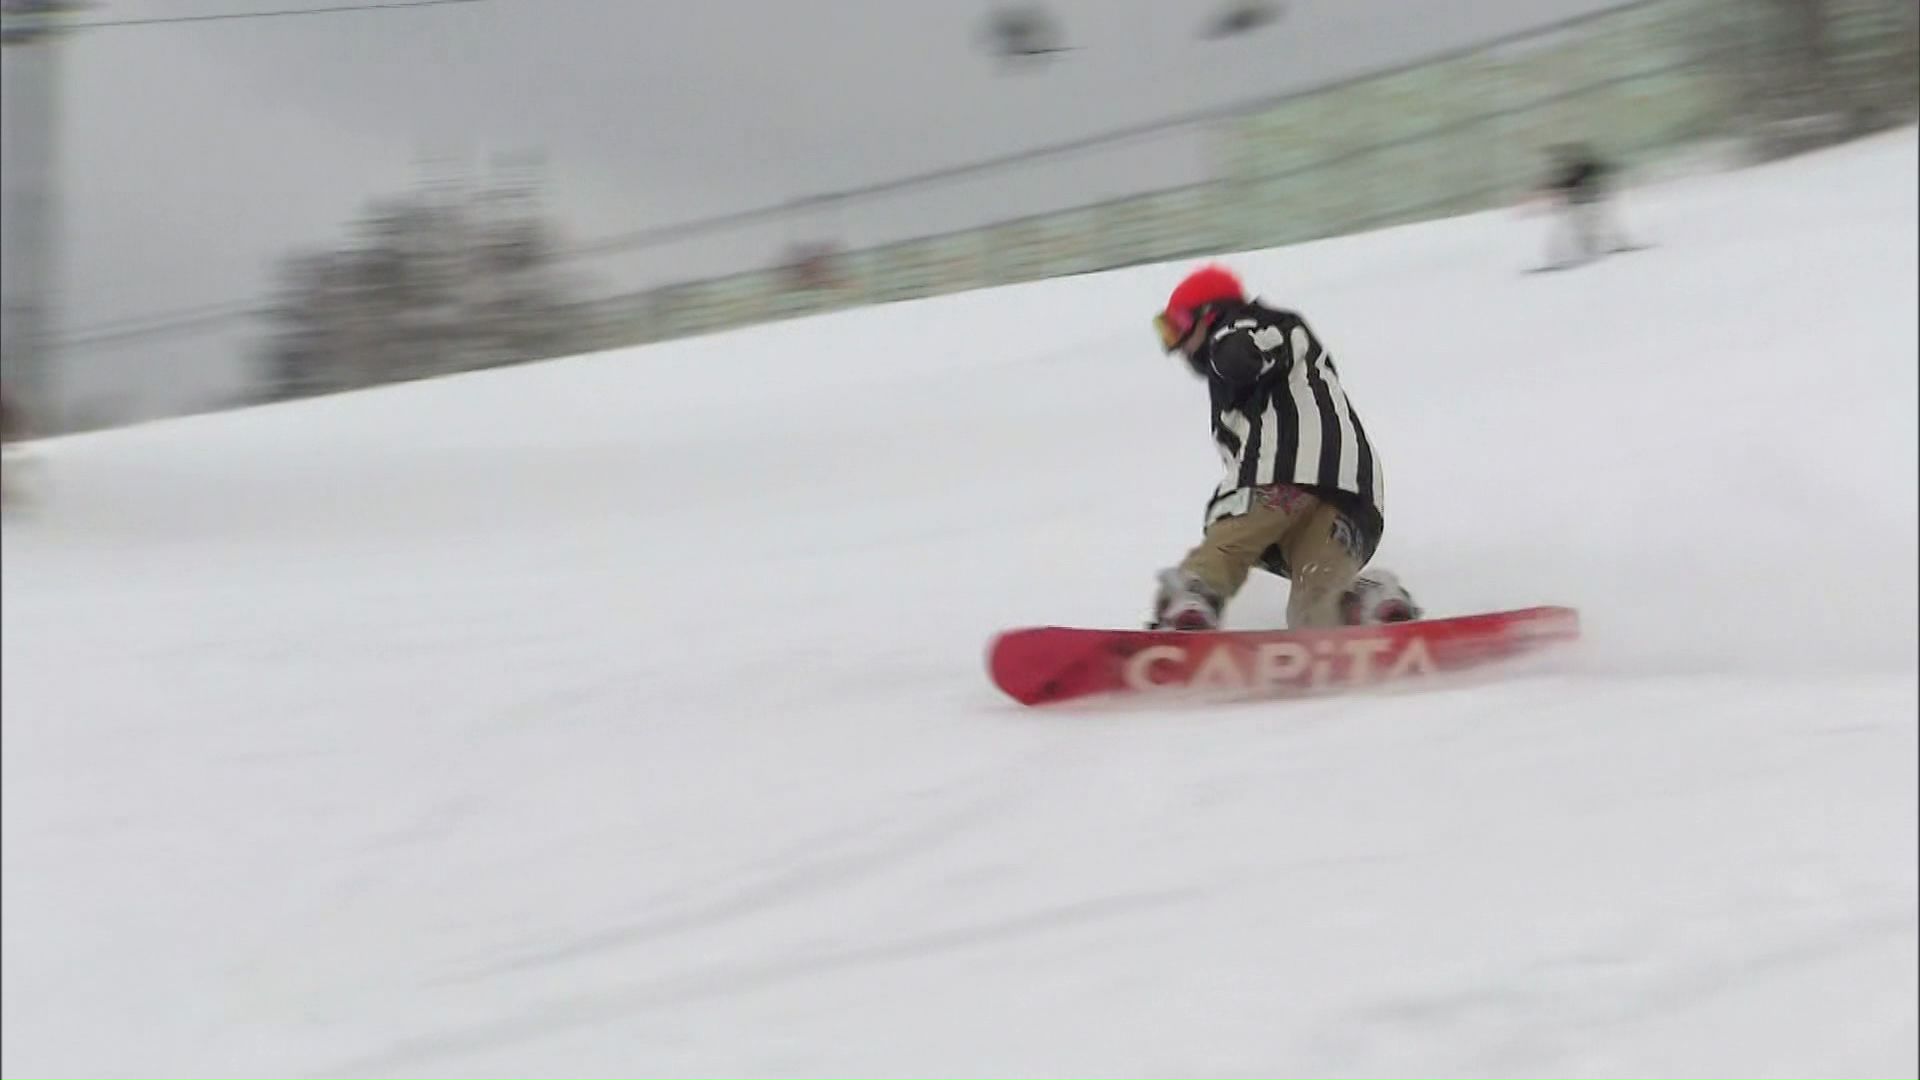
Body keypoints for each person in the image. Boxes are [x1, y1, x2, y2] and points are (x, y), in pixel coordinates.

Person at [1147, 264, 1420, 631]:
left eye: (1177, 326)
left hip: (1287, 472)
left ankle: (1193, 595)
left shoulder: (1248, 326)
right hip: (1355, 499)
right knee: (1314, 610)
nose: (1177, 346)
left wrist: (1229, 350)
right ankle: (1364, 604)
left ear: (1210, 315)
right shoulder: (1282, 352)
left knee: (1231, 533)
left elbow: (1246, 346)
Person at [1537, 142, 1634, 269]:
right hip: (1585, 204)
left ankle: (1593, 250)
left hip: (1585, 204)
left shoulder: (1579, 169)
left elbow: (1566, 183)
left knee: (1589, 227)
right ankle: (1593, 249)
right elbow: (1605, 168)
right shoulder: (1581, 168)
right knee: (1591, 227)